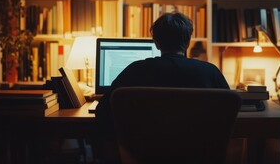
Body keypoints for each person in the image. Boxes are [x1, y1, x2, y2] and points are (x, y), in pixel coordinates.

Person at [93, 12, 230, 163]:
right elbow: (229, 113)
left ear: (156, 42)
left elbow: (103, 111)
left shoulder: (135, 70)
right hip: (199, 157)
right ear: (188, 41)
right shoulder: (210, 72)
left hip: (144, 157)